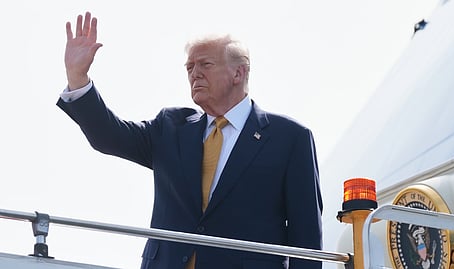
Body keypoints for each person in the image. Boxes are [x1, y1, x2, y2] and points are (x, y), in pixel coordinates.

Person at [57, 12, 323, 269]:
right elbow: (108, 136)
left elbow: (306, 238)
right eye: (189, 67)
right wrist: (78, 78)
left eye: (205, 64)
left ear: (238, 73)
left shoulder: (289, 138)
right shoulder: (171, 127)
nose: (194, 73)